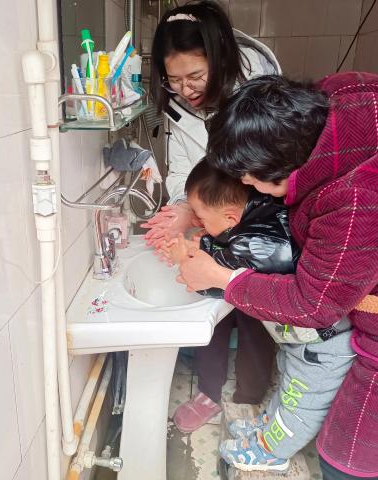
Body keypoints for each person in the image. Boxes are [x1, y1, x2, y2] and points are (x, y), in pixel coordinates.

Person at [176, 72, 378, 479]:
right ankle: (271, 434)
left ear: (281, 170)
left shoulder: (359, 200)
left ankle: (275, 451)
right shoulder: (331, 115)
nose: (247, 187)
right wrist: (197, 211)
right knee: (307, 403)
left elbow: (313, 303)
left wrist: (222, 278)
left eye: (251, 180)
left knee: (349, 454)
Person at [142, 0, 283, 433]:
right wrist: (185, 208)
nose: (185, 90)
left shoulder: (257, 88)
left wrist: (218, 212)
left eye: (195, 77)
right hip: (214, 214)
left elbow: (269, 167)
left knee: (256, 307)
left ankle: (251, 395)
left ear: (218, 61)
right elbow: (184, 165)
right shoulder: (178, 104)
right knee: (210, 295)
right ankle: (208, 391)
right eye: (173, 80)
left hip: (259, 213)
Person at [163, 160, 355, 472]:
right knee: (288, 387)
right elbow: (233, 251)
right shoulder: (263, 213)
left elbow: (218, 280)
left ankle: (272, 452)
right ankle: (269, 426)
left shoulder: (255, 243)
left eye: (201, 217)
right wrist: (207, 240)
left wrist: (184, 256)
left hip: (323, 347)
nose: (196, 221)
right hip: (305, 340)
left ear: (230, 217)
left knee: (299, 406)